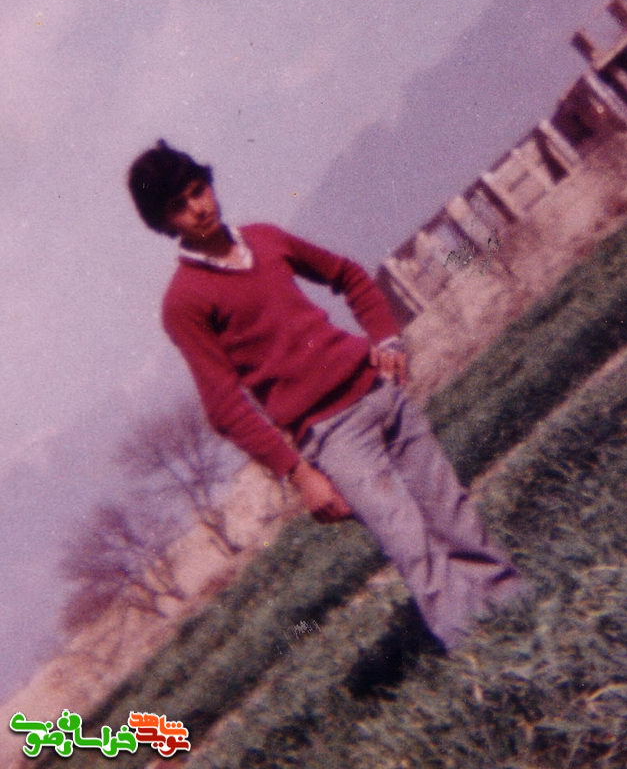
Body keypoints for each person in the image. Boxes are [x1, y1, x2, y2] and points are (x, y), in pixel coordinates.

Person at [127, 140, 523, 651]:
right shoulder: (184, 302)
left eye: (198, 190)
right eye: (179, 206)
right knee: (413, 546)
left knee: (455, 517)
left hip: (380, 394)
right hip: (333, 436)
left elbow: (348, 276)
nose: (198, 208)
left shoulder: (266, 238)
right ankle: (481, 653)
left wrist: (386, 339)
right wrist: (300, 473)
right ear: (165, 223)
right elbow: (224, 408)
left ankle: (520, 610)